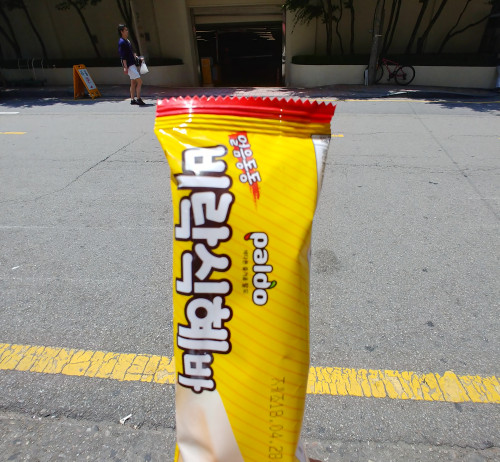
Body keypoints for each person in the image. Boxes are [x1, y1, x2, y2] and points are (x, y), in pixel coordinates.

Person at [117, 24, 145, 106]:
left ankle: (132, 99)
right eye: (125, 30)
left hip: (132, 64)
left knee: (133, 82)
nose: (127, 31)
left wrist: (137, 57)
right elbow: (123, 56)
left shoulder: (127, 41)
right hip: (129, 66)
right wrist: (125, 67)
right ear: (121, 32)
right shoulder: (121, 42)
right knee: (139, 82)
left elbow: (131, 52)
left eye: (127, 30)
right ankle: (138, 99)